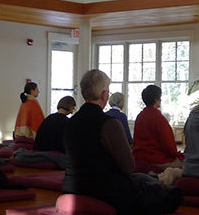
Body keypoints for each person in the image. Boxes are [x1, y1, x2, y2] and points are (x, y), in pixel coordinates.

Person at [62, 70, 182, 215]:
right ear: (104, 95)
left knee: (145, 179)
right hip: (105, 189)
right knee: (170, 194)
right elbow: (128, 166)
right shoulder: (109, 124)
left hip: (72, 186)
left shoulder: (70, 122)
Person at [132, 85, 182, 170]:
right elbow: (168, 145)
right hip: (155, 160)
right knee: (185, 164)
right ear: (156, 100)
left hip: (138, 157)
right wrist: (178, 155)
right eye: (160, 98)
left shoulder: (140, 116)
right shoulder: (158, 118)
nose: (161, 100)